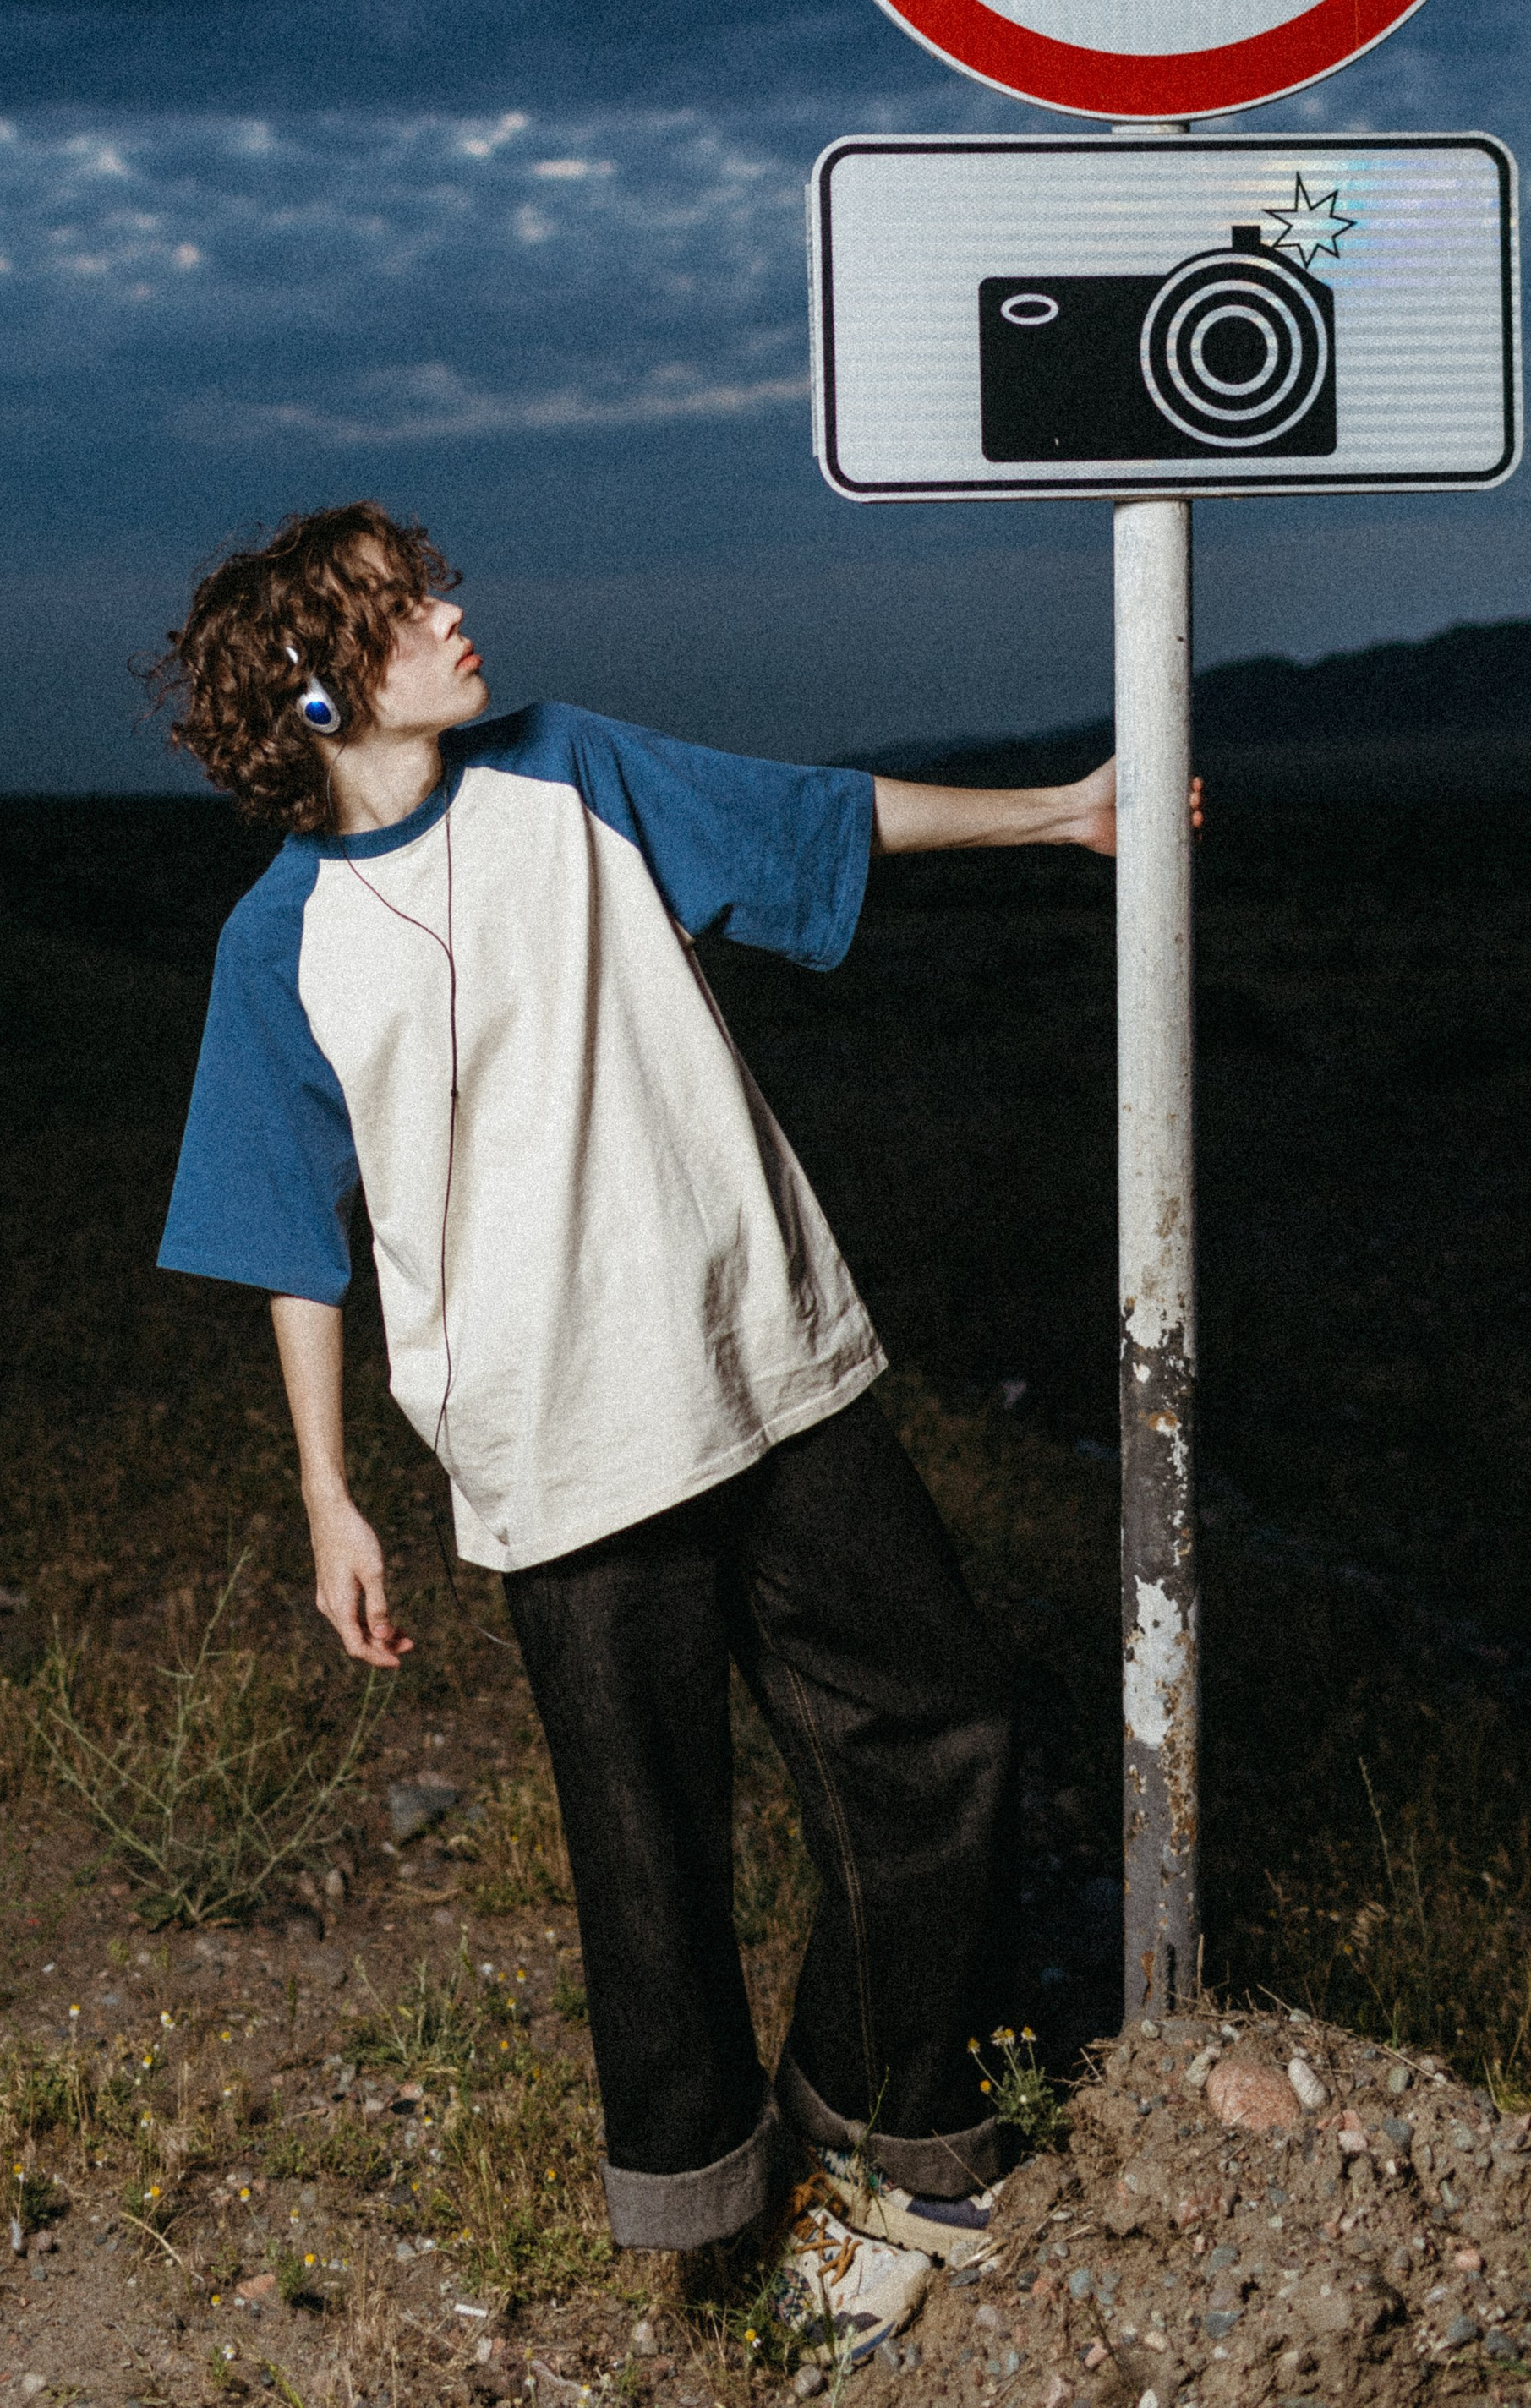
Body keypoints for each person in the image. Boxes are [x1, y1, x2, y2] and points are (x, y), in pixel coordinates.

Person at [150, 501, 1148, 2368]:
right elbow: (289, 1238)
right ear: (314, 690)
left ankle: (890, 2143)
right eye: (398, 609)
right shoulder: (279, 945)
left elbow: (813, 819)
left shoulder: (571, 769)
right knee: (650, 1853)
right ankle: (718, 2223)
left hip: (761, 1356)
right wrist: (327, 1497)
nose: (451, 613)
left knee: (943, 1725)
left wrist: (1062, 813)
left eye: (428, 586)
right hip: (557, 1439)